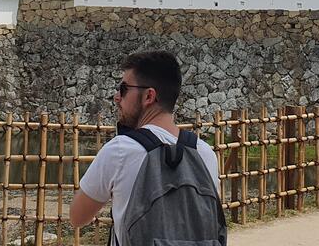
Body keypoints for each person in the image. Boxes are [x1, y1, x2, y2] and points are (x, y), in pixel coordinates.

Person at [69, 50, 220, 245]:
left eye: (123, 89)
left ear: (149, 96)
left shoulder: (120, 151)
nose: (117, 97)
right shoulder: (204, 153)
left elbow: (77, 217)